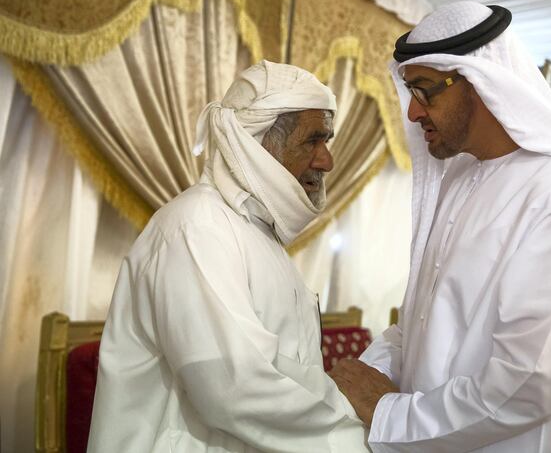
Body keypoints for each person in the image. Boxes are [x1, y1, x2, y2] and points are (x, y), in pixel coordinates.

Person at [329, 1, 551, 452]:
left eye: (426, 91)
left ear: (479, 83)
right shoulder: (459, 177)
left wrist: (388, 413)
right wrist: (367, 373)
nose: (413, 114)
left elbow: (528, 385)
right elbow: (419, 321)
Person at [87, 61, 369, 452]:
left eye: (327, 141)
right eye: (312, 141)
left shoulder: (254, 232)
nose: (327, 161)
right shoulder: (196, 227)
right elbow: (234, 388)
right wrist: (361, 429)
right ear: (257, 142)